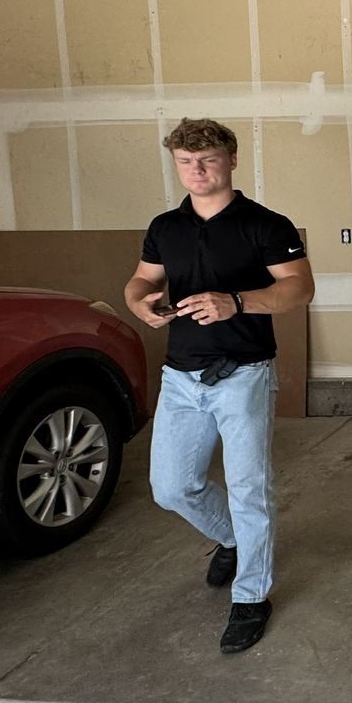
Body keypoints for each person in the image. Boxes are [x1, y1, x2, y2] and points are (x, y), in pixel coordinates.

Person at [124, 118, 312, 653]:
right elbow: (143, 277)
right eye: (186, 161)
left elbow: (299, 288)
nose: (197, 170)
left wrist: (238, 302)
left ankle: (251, 595)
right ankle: (229, 538)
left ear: (231, 160)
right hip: (180, 376)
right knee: (171, 487)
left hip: (243, 374)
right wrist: (138, 301)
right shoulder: (166, 226)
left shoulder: (265, 224)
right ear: (177, 164)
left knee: (250, 487)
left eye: (207, 159)